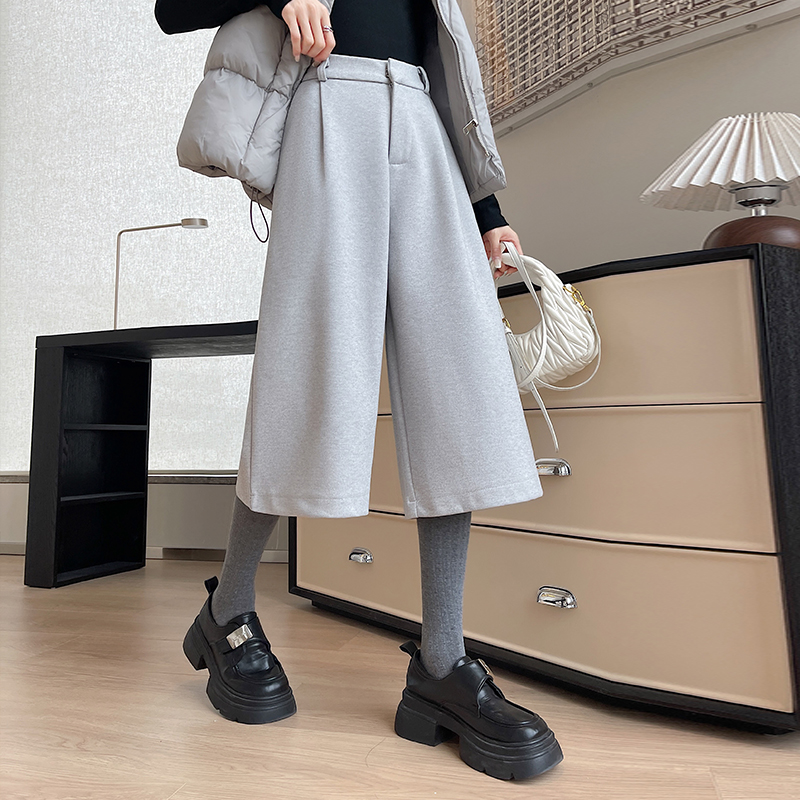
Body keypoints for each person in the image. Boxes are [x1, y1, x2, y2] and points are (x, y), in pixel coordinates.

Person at [154, 0, 563, 781]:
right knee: (307, 374)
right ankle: (228, 610)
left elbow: (437, 56)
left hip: (423, 123)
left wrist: (486, 207)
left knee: (460, 383)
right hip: (326, 108)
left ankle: (441, 664)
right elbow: (172, 10)